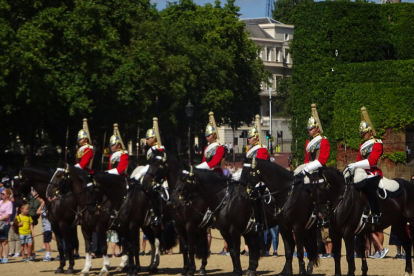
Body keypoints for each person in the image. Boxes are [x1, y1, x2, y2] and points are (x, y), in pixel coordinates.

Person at [344, 107, 383, 224]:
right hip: (363, 173)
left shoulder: (377, 143)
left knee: (370, 185)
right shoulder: (362, 144)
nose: (363, 135)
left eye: (364, 132)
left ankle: (375, 212)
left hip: (373, 173)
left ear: (370, 131)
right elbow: (359, 160)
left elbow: (372, 162)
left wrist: (355, 165)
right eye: (361, 133)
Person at [133, 118, 165, 225]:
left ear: (155, 138)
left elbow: (154, 165)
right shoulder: (150, 149)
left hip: (160, 176)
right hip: (152, 175)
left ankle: (158, 215)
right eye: (146, 138)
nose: (146, 140)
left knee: (155, 191)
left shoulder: (159, 149)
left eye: (149, 138)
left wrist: (140, 173)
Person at [245, 115, 270, 232]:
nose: (248, 139)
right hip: (251, 179)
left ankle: (259, 221)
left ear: (256, 137)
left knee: (256, 196)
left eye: (250, 137)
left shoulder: (261, 149)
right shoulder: (250, 150)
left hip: (260, 180)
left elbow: (260, 166)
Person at [294, 104, 330, 178]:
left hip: (319, 168)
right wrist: (305, 166)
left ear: (317, 128)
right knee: (296, 173)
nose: (309, 131)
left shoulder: (323, 141)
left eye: (312, 128)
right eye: (309, 129)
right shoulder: (308, 142)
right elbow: (307, 159)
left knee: (306, 180)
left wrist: (307, 168)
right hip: (309, 166)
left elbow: (322, 160)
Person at [36, 197, 52, 261]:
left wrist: (42, 204)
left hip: (48, 227)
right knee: (45, 242)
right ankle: (47, 254)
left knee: (46, 242)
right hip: (45, 227)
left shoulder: (46, 210)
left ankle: (48, 255)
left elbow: (37, 212)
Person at [0, 188, 13, 264]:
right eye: (1, 193)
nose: (1, 195)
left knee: (5, 241)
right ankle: (0, 257)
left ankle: (6, 257)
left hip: (4, 224)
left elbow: (8, 215)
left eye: (3, 194)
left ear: (8, 195)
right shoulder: (0, 202)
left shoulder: (9, 203)